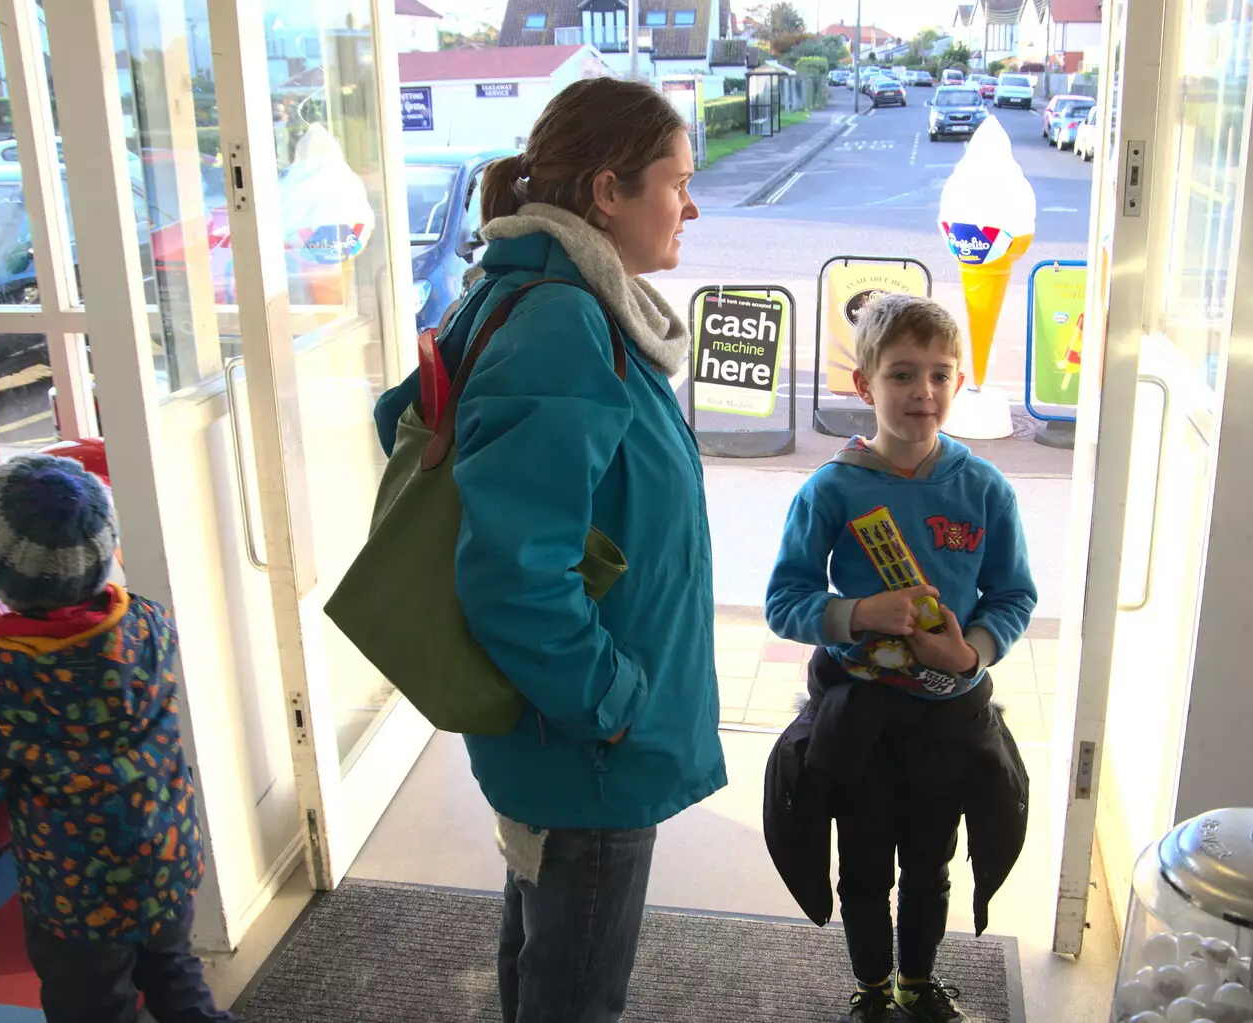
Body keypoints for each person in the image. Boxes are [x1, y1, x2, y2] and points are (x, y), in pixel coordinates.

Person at [371, 77, 725, 1023]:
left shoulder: (523, 286)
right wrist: (610, 705)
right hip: (585, 747)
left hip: (561, 739)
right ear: (607, 192)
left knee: (542, 959)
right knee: (574, 992)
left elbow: (400, 417)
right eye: (676, 182)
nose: (691, 204)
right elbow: (512, 573)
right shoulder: (565, 321)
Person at [765, 295, 1037, 1023]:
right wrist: (853, 613)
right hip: (858, 723)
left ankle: (917, 982)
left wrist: (970, 651)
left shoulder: (984, 489)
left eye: (942, 375)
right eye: (903, 374)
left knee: (930, 861)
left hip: (946, 718)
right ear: (865, 385)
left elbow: (1012, 595)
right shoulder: (833, 489)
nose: (924, 392)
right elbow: (784, 598)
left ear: (959, 381)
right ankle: (873, 988)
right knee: (860, 867)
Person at [0, 454, 229, 1023]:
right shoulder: (150, 623)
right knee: (175, 974)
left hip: (75, 894)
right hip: (166, 859)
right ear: (106, 551)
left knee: (91, 1006)